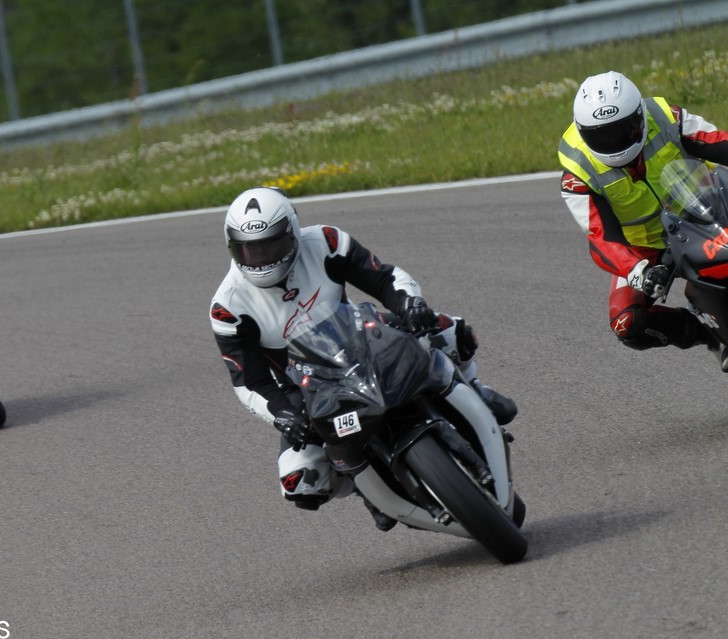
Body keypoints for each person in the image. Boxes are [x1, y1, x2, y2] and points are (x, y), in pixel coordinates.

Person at [208, 186, 517, 531]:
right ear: (232, 247)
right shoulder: (227, 308)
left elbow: (384, 278)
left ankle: (475, 386)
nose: (261, 257)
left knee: (449, 330)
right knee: (300, 481)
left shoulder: (325, 241)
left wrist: (410, 303)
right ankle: (363, 486)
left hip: (363, 337)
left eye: (270, 245)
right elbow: (249, 382)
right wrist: (281, 414)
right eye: (249, 249)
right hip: (305, 383)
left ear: (293, 234)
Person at [558, 71, 728, 363]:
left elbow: (717, 141)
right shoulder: (577, 169)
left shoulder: (666, 117)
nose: (614, 143)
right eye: (601, 136)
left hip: (704, 213)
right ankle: (708, 335)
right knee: (626, 321)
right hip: (646, 249)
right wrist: (638, 271)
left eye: (622, 131)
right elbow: (601, 237)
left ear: (639, 115)